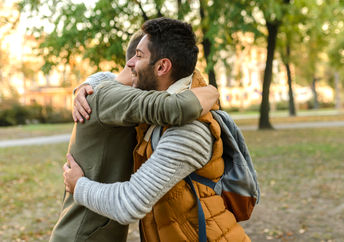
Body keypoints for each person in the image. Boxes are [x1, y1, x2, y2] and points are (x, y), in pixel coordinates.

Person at [64, 17, 250, 241]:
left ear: (162, 66)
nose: (131, 63)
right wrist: (88, 85)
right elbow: (117, 81)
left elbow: (129, 204)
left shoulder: (189, 130)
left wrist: (78, 185)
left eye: (139, 56)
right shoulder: (159, 106)